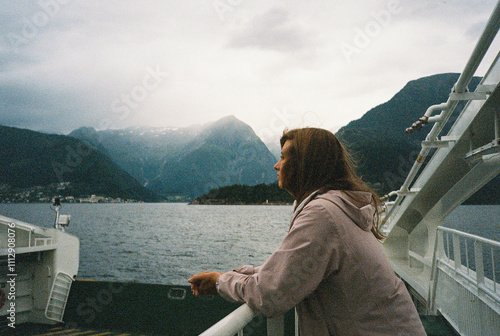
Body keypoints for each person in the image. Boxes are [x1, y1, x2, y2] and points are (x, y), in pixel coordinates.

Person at [188, 128, 426, 336]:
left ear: (305, 165)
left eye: (282, 157)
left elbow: (270, 294)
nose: (276, 165)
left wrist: (221, 282)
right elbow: (291, 270)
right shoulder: (336, 208)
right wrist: (235, 274)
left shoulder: (322, 215)